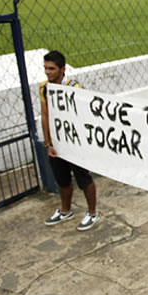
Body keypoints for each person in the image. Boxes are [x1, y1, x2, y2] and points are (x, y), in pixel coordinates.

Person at [40, 50, 100, 231]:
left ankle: (92, 212)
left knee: (83, 178)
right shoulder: (44, 87)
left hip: (74, 143)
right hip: (57, 144)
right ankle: (66, 210)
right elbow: (45, 115)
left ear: (62, 69)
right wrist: (48, 143)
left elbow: (83, 115)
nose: (48, 72)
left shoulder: (74, 88)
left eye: (52, 68)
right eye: (45, 68)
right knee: (62, 179)